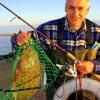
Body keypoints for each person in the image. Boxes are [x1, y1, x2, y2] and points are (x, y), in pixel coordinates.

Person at [11, 0, 100, 99]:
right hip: (58, 92)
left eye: (80, 8)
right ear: (65, 8)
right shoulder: (47, 29)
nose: (75, 13)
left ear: (87, 10)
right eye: (71, 8)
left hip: (90, 92)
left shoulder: (97, 31)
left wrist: (93, 65)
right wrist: (18, 39)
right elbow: (24, 42)